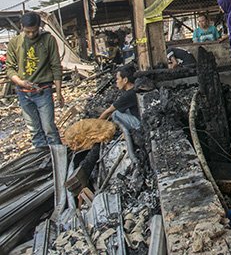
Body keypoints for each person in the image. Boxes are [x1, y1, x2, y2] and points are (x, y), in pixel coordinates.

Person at [66, 65, 141, 193]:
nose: (116, 82)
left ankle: (125, 131)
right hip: (138, 119)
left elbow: (108, 111)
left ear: (125, 80)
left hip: (139, 125)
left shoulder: (128, 95)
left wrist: (96, 126)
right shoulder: (132, 92)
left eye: (117, 79)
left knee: (115, 114)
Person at [5, 12, 64, 148]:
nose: (31, 35)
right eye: (28, 32)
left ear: (40, 27)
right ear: (22, 27)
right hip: (23, 92)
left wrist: (59, 93)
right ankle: (42, 160)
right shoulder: (15, 42)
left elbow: (56, 67)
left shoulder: (48, 40)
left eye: (34, 31)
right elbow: (10, 68)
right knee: (34, 130)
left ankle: (58, 157)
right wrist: (20, 82)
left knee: (49, 128)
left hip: (43, 91)